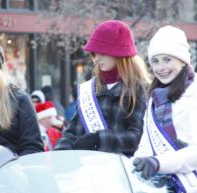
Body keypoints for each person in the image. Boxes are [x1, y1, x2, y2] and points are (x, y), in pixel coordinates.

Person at [133, 26, 197, 193]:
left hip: (188, 190)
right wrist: (138, 163)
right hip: (154, 191)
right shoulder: (154, 98)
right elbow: (145, 144)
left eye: (167, 60)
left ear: (182, 61)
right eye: (155, 61)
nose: (161, 67)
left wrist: (158, 163)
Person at [54, 20, 150, 156]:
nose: (96, 59)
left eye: (103, 53)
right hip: (86, 168)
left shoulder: (139, 90)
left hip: (120, 171)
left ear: (120, 54)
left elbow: (138, 138)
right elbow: (71, 131)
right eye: (94, 53)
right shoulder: (89, 89)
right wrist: (62, 150)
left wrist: (99, 139)